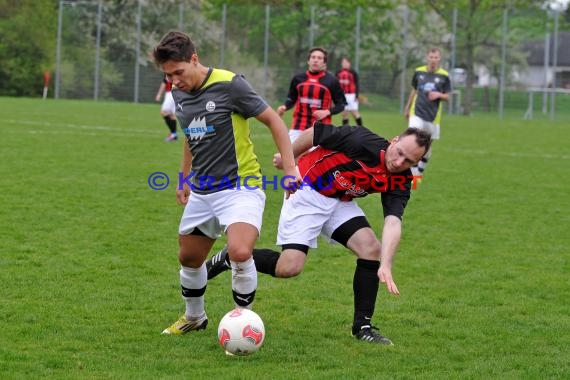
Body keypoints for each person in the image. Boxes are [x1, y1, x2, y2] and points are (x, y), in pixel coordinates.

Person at [207, 121, 432, 345]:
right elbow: (316, 133)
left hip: (339, 200)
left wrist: (386, 264)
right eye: (399, 153)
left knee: (371, 250)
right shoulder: (361, 141)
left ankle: (362, 326)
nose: (399, 162)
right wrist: (288, 159)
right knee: (289, 268)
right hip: (307, 189)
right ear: (394, 141)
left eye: (408, 161)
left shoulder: (401, 179)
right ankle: (232, 256)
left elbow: (393, 222)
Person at [152, 31, 301, 336]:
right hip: (203, 189)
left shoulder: (230, 85)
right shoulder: (179, 93)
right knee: (189, 257)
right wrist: (183, 177)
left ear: (194, 59)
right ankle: (194, 317)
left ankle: (243, 323)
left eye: (179, 72)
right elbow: (190, 135)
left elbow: (274, 121)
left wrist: (290, 169)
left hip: (240, 186)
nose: (175, 82)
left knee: (240, 251)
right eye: (168, 76)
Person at [277, 47, 347, 142]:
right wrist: (285, 107)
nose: (315, 60)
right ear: (308, 61)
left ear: (324, 63)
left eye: (319, 58)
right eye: (313, 57)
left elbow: (341, 104)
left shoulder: (332, 81)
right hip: (298, 127)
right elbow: (291, 98)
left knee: (314, 157)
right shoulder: (298, 79)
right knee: (289, 156)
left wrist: (327, 112)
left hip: (320, 129)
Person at [403, 47, 450, 179]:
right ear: (427, 58)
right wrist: (407, 108)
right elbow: (414, 91)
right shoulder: (418, 72)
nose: (433, 60)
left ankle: (419, 172)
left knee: (427, 145)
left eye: (436, 57)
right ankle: (412, 173)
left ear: (439, 59)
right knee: (413, 139)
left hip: (433, 117)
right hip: (416, 112)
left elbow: (447, 96)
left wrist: (439, 94)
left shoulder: (444, 75)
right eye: (431, 57)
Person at [336, 57, 363, 126]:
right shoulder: (338, 73)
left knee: (354, 112)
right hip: (342, 95)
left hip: (351, 95)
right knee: (344, 114)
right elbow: (336, 85)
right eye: (343, 62)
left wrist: (356, 96)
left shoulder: (353, 73)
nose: (344, 64)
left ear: (349, 63)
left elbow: (357, 84)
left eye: (346, 62)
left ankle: (361, 128)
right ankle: (346, 131)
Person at [155, 75, 178, 142]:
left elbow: (165, 81)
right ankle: (174, 135)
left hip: (171, 92)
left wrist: (159, 94)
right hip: (174, 92)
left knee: (163, 112)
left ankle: (173, 134)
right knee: (172, 115)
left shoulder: (170, 69)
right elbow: (165, 81)